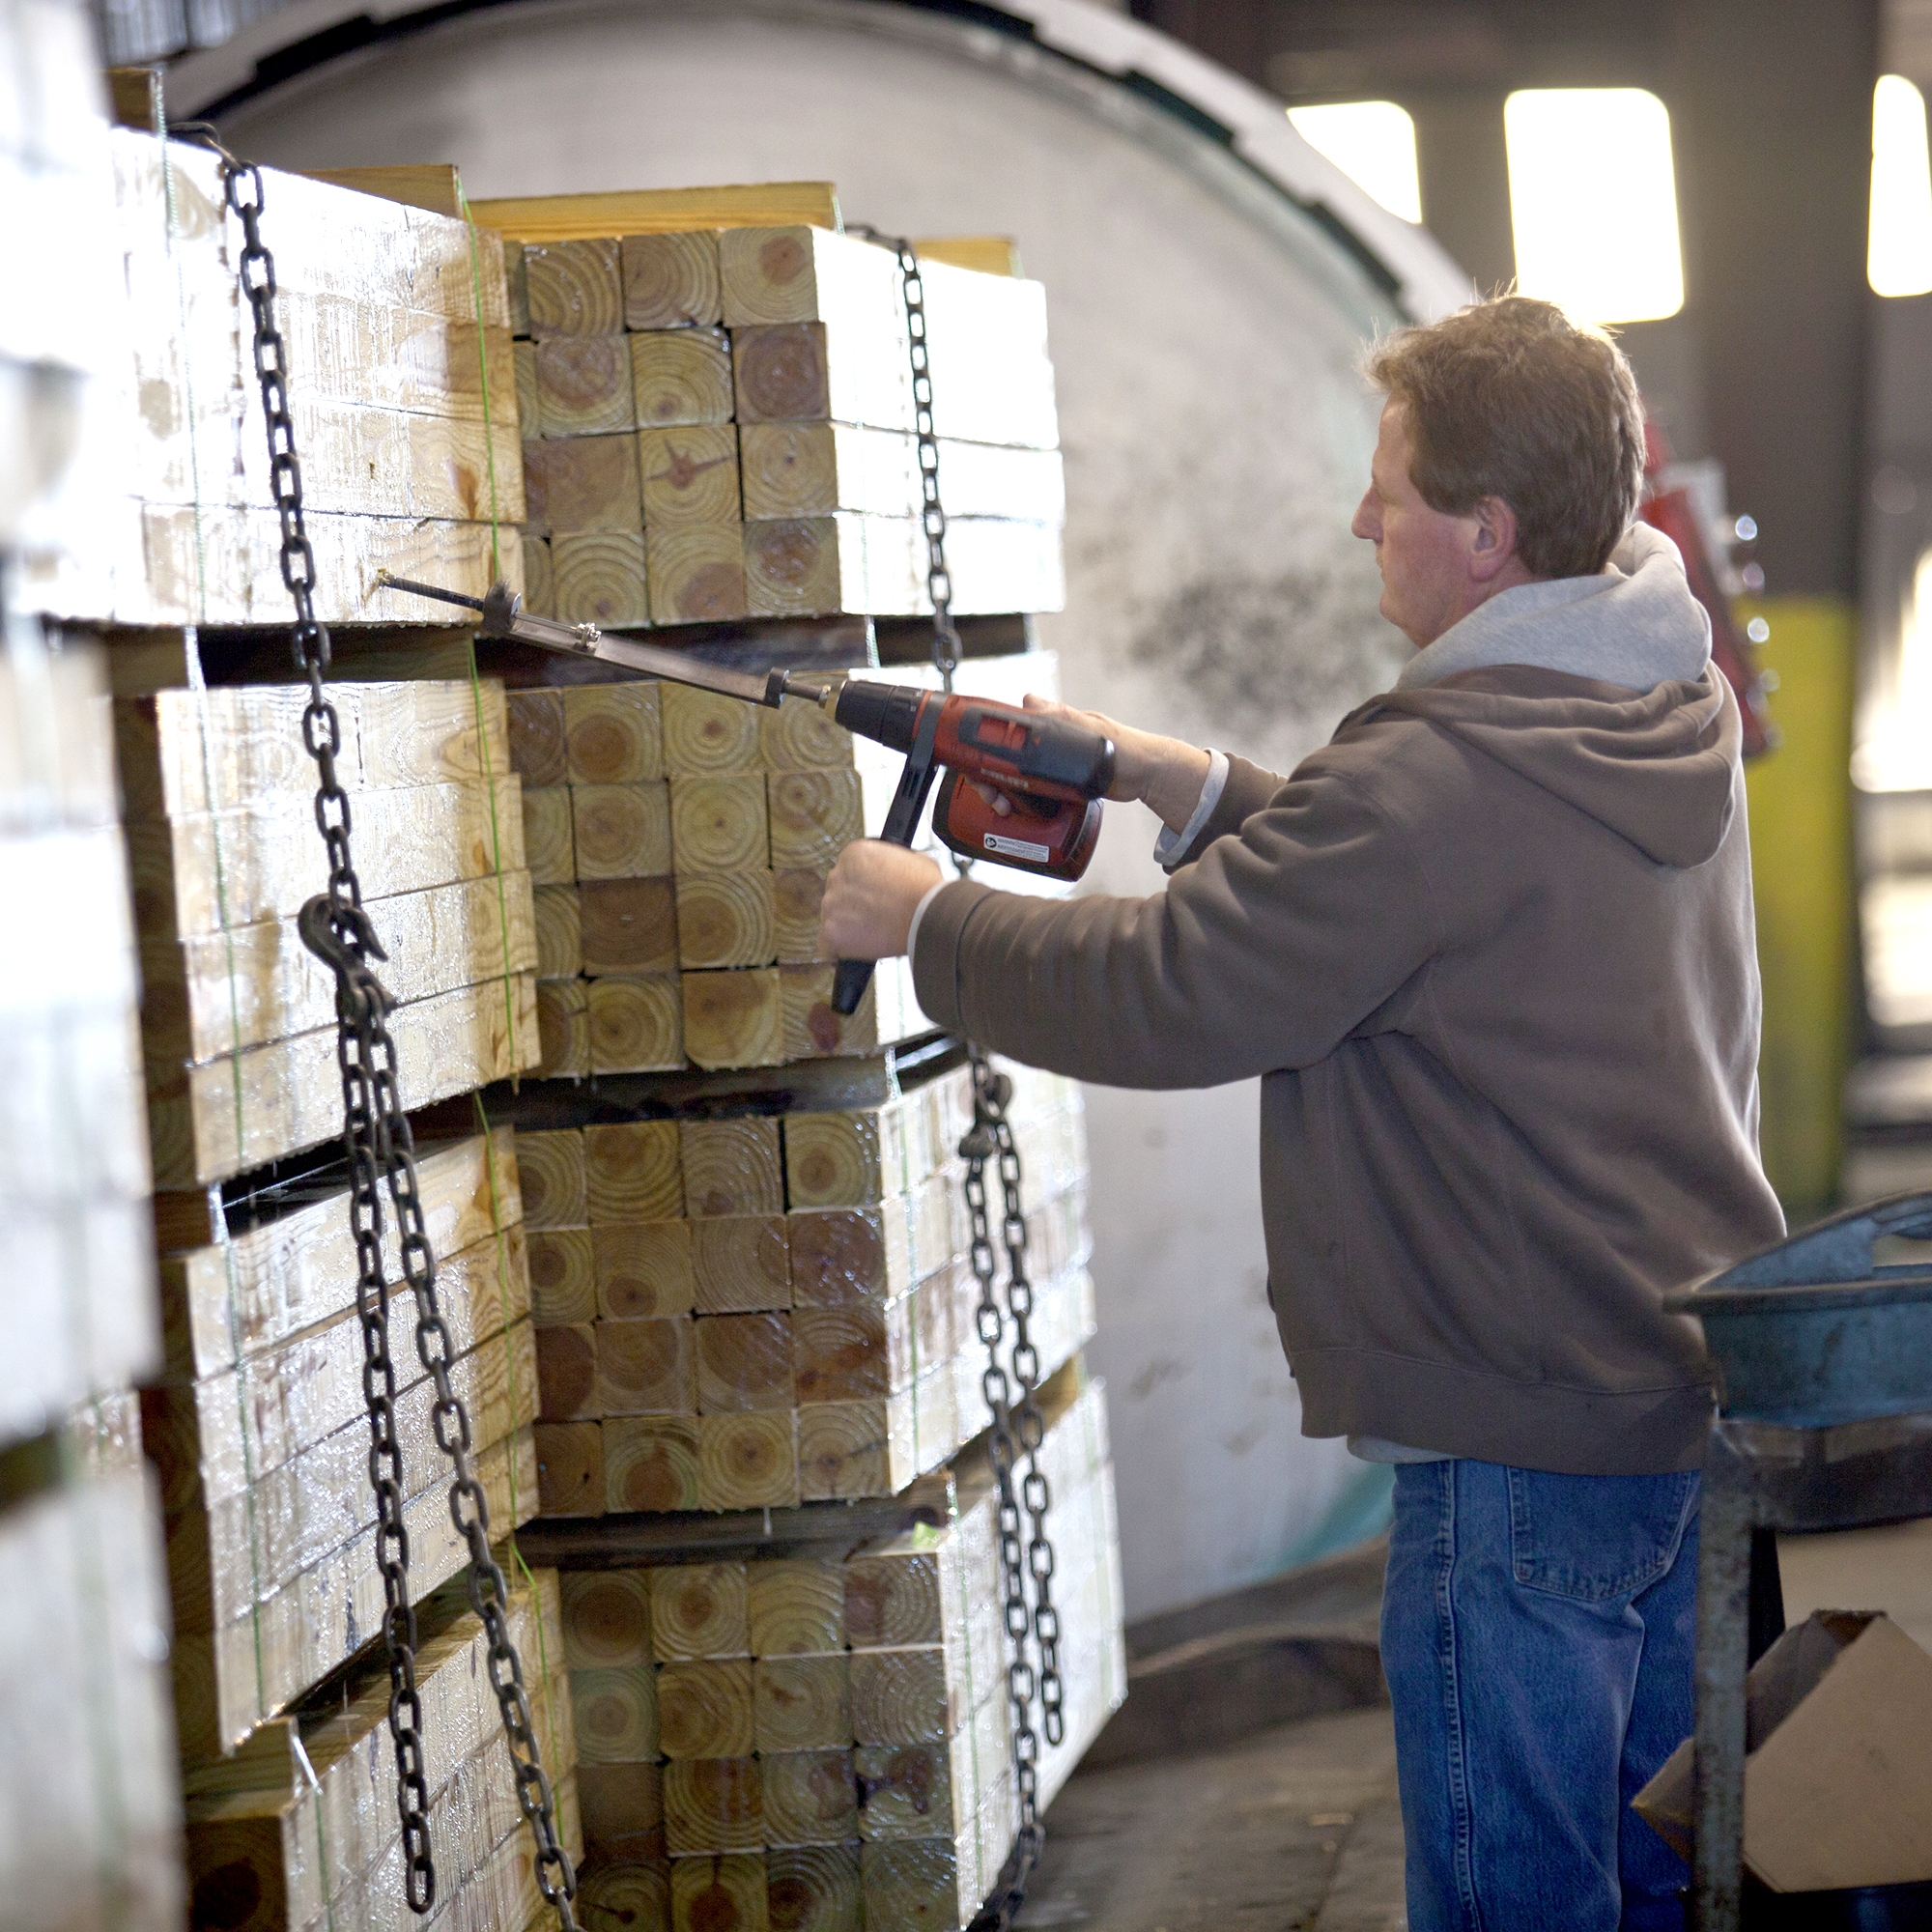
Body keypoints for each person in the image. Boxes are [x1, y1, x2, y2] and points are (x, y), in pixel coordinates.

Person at [819, 296, 1786, 1932]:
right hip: (1665, 1407)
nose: (1362, 518)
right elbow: (1430, 894)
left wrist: (923, 922)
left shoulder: (1436, 778)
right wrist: (1178, 781)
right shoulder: (1651, 695)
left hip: (1508, 1446)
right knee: (1650, 1888)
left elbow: (1180, 987)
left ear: (1483, 535)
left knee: (1509, 1908)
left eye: (1391, 488)